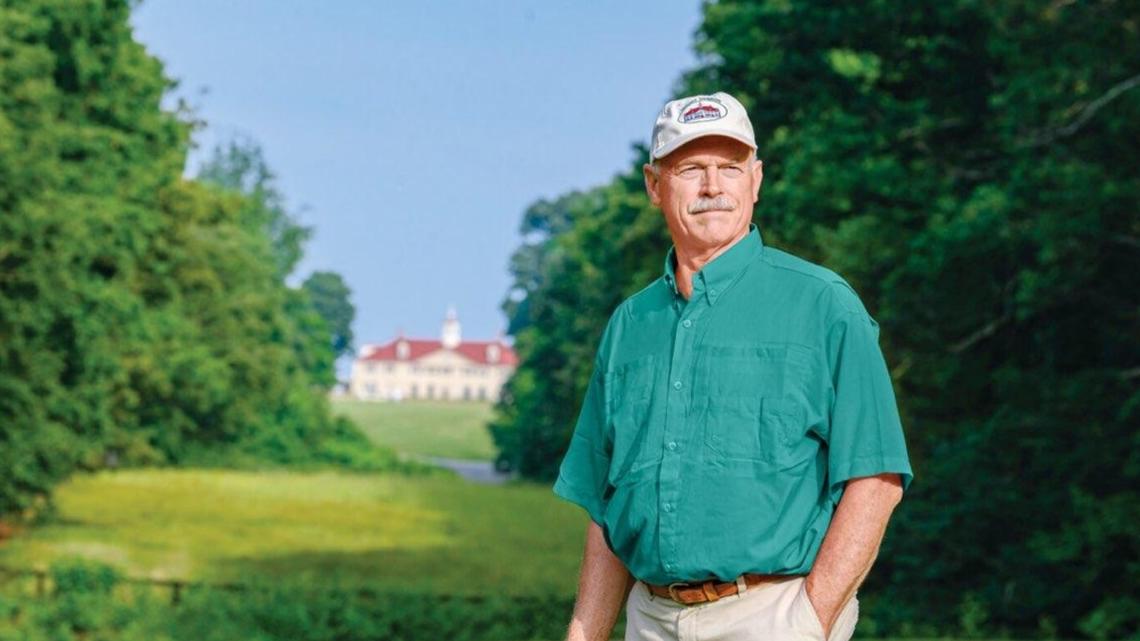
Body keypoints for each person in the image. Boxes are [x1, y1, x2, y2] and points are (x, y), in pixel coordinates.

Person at [552, 91, 915, 641]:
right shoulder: (630, 325)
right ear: (654, 185)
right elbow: (608, 508)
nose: (712, 187)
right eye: (692, 169)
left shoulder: (823, 304)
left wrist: (808, 620)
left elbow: (877, 477)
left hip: (772, 616)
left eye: (730, 168)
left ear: (757, 179)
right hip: (649, 620)